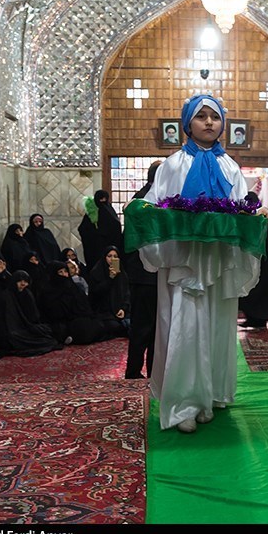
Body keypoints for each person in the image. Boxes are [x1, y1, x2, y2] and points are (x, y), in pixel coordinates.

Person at [134, 93, 266, 434]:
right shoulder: (173, 165)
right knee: (186, 325)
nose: (209, 122)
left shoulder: (230, 167)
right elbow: (154, 208)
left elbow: (240, 209)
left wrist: (253, 214)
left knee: (218, 324)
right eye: (201, 116)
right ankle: (184, 403)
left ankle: (212, 393)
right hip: (185, 261)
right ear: (187, 123)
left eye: (215, 117)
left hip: (218, 259)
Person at [122, 160, 161, 379]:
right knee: (150, 326)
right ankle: (144, 371)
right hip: (149, 275)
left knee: (145, 325)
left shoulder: (139, 198)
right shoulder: (149, 202)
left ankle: (138, 370)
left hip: (141, 274)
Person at [0, 270, 62, 357]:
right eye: (20, 281)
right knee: (13, 337)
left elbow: (34, 316)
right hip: (10, 329)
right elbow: (7, 320)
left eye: (25, 281)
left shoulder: (27, 293)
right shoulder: (6, 296)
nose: (23, 284)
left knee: (45, 333)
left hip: (26, 326)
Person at [239, 186, 268, 328]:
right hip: (263, 258)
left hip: (258, 258)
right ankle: (254, 318)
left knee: (257, 288)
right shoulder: (258, 217)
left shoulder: (258, 219)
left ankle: (258, 319)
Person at [87, 245, 130, 338]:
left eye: (115, 256)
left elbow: (127, 293)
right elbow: (95, 294)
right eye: (109, 256)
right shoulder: (96, 272)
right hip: (104, 312)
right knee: (114, 326)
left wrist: (123, 308)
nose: (112, 259)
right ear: (104, 257)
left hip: (121, 310)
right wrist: (110, 278)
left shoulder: (122, 274)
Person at [78, 189, 124, 270]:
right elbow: (83, 229)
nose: (102, 202)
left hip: (110, 251)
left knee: (114, 271)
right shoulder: (92, 213)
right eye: (100, 199)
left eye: (104, 199)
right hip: (96, 252)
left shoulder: (109, 212)